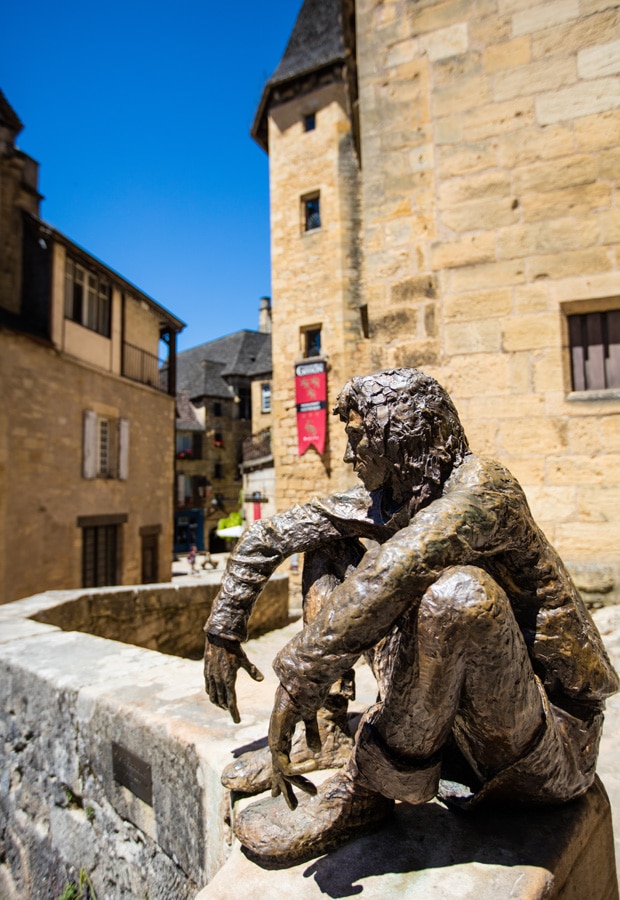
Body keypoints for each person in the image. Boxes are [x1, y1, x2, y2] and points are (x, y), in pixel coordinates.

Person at [203, 368, 618, 864]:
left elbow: (404, 563)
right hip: (463, 738)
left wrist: (300, 674)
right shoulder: (386, 500)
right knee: (327, 543)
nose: (349, 456)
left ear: (401, 436)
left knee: (460, 594)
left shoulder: (486, 488)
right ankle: (332, 733)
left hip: (546, 746)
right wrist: (223, 630)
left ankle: (366, 792)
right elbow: (269, 536)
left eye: (359, 439)